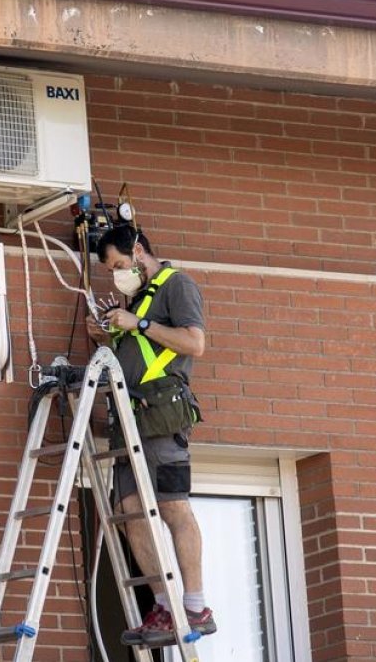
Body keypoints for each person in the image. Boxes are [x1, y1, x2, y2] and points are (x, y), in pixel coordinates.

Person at [85, 225, 218, 647]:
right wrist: (110, 334)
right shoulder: (139, 298)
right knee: (130, 515)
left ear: (138, 251)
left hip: (162, 417)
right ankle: (163, 605)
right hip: (130, 420)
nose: (117, 276)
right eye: (111, 271)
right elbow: (141, 349)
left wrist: (137, 322)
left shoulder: (176, 285)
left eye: (120, 265)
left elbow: (194, 343)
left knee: (173, 508)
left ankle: (195, 607)